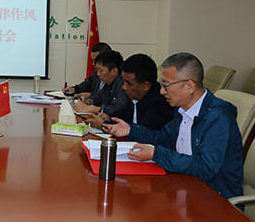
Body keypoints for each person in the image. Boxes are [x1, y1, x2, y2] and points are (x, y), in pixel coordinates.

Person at [103, 52, 243, 199]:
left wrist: (156, 154)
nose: (162, 91)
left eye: (166, 85)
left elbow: (205, 168)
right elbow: (162, 139)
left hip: (214, 199)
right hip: (184, 187)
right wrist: (130, 130)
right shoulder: (182, 111)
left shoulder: (219, 117)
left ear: (189, 86)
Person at [85, 54, 172, 130]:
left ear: (145, 86)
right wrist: (109, 119)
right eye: (123, 81)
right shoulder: (133, 96)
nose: (124, 87)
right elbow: (125, 122)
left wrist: (104, 125)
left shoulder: (159, 104)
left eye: (128, 83)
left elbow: (142, 132)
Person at [73, 50, 128, 117]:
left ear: (114, 71)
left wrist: (89, 108)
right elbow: (98, 97)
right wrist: (87, 101)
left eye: (101, 70)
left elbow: (117, 109)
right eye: (97, 70)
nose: (98, 74)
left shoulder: (124, 85)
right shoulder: (109, 83)